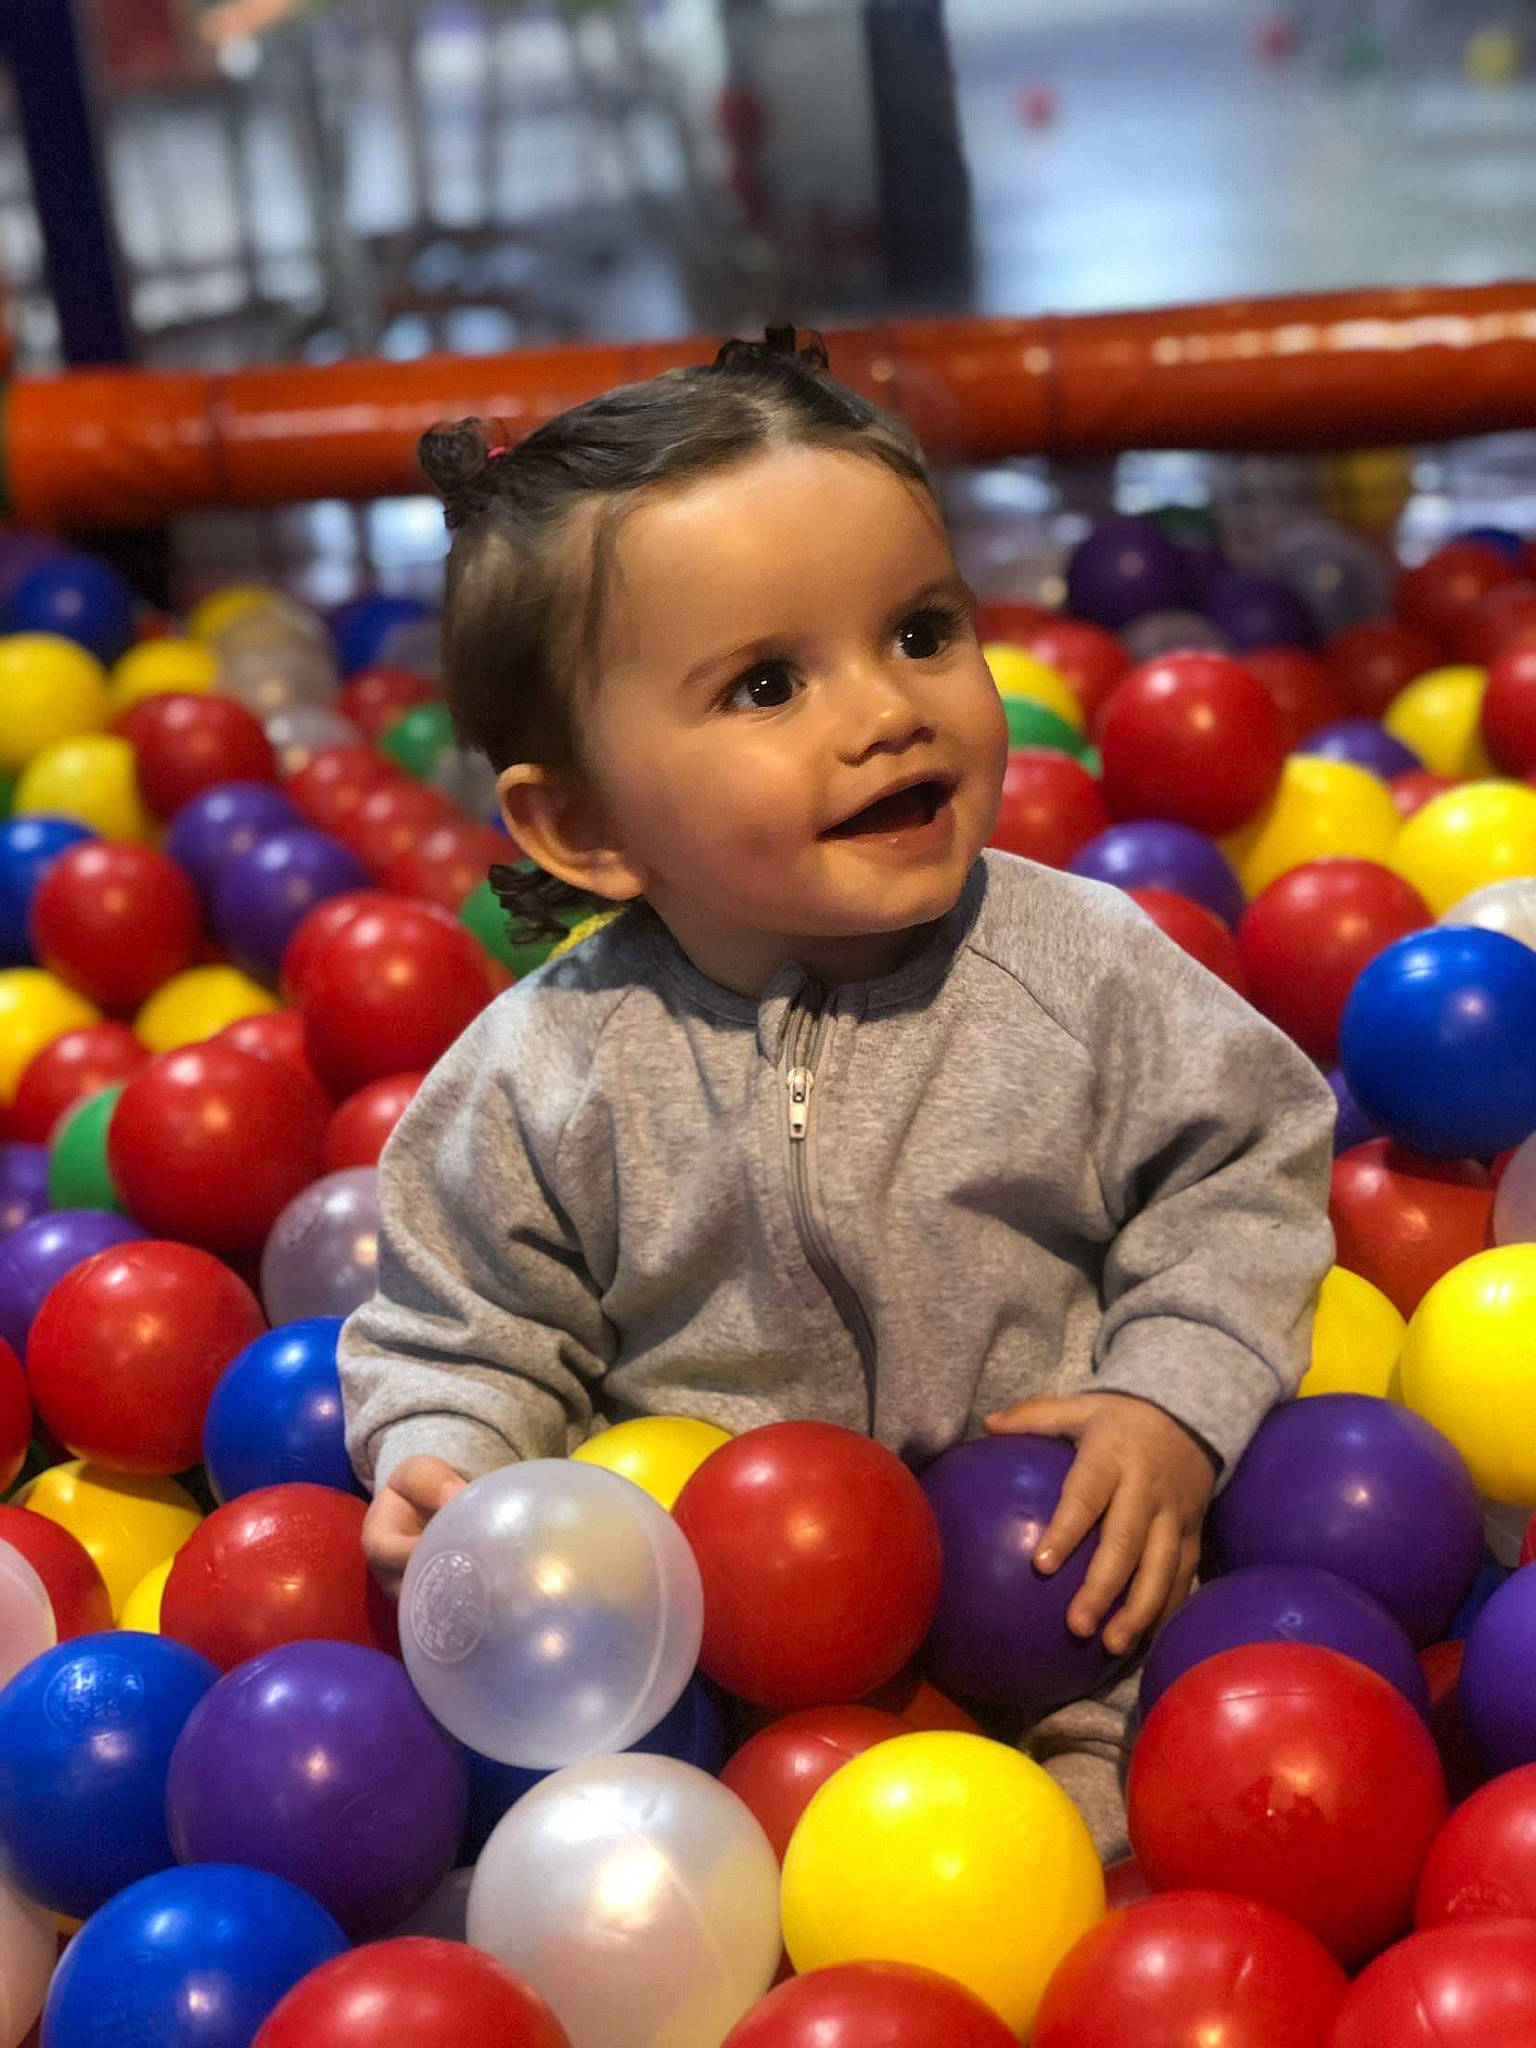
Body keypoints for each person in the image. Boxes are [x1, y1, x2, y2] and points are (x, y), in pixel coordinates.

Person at [339, 326, 1335, 1856]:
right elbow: (465, 1317)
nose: (885, 711)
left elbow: (1246, 1160)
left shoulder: (1077, 967)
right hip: (710, 1654)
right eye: (767, 683)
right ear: (587, 825)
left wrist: (1171, 1405)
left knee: (1140, 1836)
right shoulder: (548, 1073)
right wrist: (458, 1468)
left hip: (1064, 1587)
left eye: (924, 632)